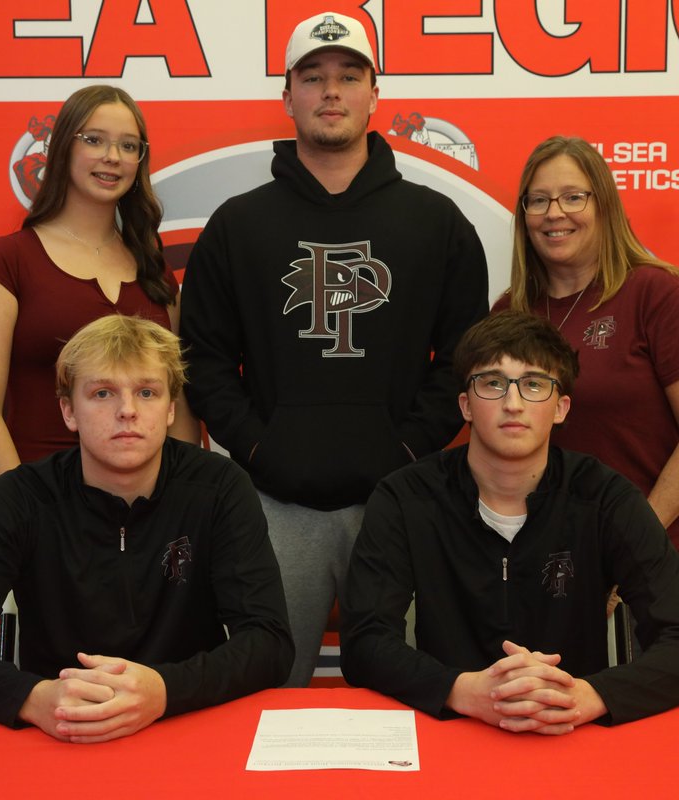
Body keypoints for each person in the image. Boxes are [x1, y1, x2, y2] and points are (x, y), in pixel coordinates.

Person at [179, 11, 489, 687]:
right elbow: (201, 361)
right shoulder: (239, 224)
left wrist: (406, 452)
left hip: (402, 503)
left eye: (349, 76)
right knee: (265, 688)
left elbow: (467, 363)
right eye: (312, 77)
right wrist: (259, 450)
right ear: (287, 95)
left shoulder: (436, 224)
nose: (331, 91)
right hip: (275, 505)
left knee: (411, 689)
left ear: (375, 95)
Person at [0, 314, 293, 743]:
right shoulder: (17, 499)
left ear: (170, 409)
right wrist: (34, 697)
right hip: (60, 732)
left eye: (147, 392)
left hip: (186, 722)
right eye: (103, 393)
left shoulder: (219, 488)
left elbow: (269, 642)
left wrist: (165, 690)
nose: (127, 410)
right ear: (69, 410)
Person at [340, 312, 679, 731]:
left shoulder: (605, 497)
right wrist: (462, 690)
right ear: (465, 405)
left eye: (534, 384)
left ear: (561, 408)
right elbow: (365, 642)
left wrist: (588, 696)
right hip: (450, 727)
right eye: (492, 383)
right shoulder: (405, 497)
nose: (513, 403)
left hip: (574, 732)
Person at [494, 135, 679, 576]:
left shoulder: (658, 294)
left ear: (603, 206)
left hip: (648, 545)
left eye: (572, 197)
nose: (554, 213)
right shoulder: (511, 312)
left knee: (638, 650)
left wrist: (636, 541)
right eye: (538, 200)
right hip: (545, 551)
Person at [0, 84, 198, 486]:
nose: (112, 157)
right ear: (63, 149)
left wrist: (185, 498)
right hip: (41, 502)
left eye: (128, 146)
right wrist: (23, 509)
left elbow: (179, 404)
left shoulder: (153, 270)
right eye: (94, 140)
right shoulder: (7, 262)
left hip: (144, 507)